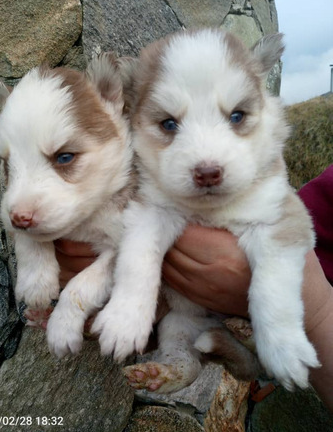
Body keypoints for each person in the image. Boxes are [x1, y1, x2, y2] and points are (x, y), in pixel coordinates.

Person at [54, 166, 333, 413]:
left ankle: (222, 349)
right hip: (197, 303)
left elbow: (289, 232)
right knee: (179, 325)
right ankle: (187, 360)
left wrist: (318, 311)